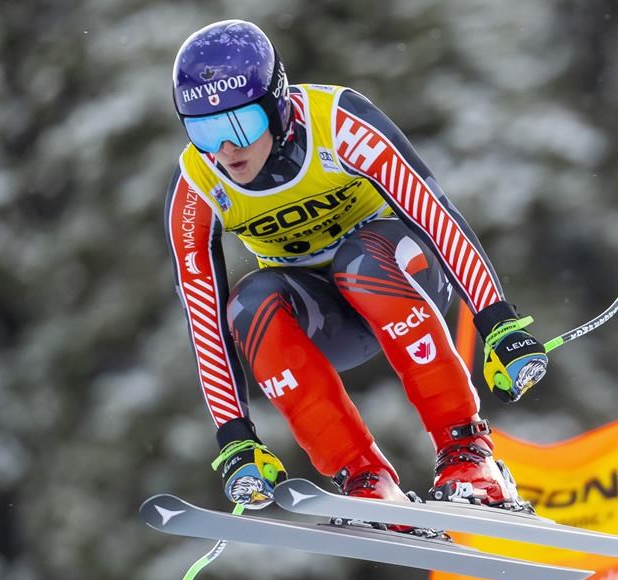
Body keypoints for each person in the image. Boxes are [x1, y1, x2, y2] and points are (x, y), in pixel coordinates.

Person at [164, 20, 548, 523]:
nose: (225, 150)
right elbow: (204, 316)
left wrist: (496, 320)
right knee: (248, 303)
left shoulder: (338, 123)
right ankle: (364, 477)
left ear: (277, 107)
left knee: (359, 261)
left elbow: (434, 215)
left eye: (240, 126)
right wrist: (236, 438)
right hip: (328, 321)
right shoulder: (196, 185)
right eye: (203, 130)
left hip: (403, 275)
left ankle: (468, 454)